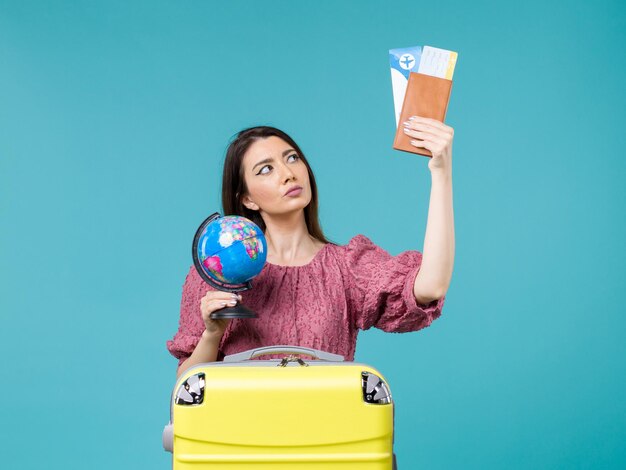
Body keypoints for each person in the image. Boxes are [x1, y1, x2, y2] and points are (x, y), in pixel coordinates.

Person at [167, 118, 455, 378]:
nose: (288, 173)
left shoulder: (347, 268)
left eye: (292, 158)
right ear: (248, 200)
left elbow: (430, 286)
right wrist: (212, 334)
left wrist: (441, 172)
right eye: (266, 169)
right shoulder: (217, 272)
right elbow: (187, 390)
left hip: (327, 434)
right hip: (241, 435)